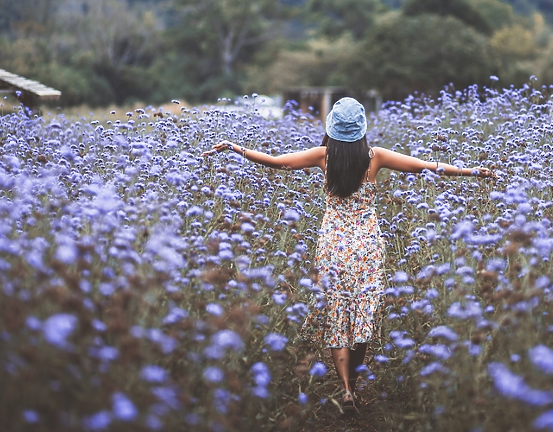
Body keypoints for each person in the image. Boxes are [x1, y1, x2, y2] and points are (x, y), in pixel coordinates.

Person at [203, 97, 497, 411]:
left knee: (336, 312)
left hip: (333, 243)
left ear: (332, 128)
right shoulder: (375, 157)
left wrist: (236, 148)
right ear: (361, 131)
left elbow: (278, 162)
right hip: (367, 245)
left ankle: (344, 387)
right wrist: (474, 172)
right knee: (363, 311)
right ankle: (355, 385)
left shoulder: (323, 156)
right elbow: (428, 167)